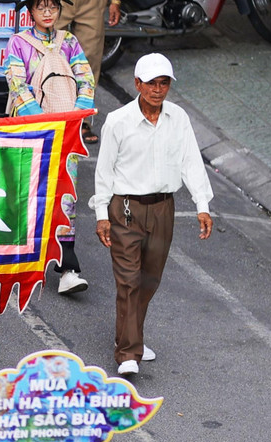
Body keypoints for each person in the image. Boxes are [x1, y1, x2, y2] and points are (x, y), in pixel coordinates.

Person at [90, 52, 212, 375]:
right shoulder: (118, 122)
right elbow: (104, 170)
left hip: (163, 209)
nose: (158, 90)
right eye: (152, 84)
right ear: (137, 85)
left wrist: (203, 205)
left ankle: (132, 337)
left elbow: (191, 163)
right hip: (125, 209)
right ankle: (128, 352)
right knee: (128, 280)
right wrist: (102, 213)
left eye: (164, 84)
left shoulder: (179, 119)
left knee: (150, 279)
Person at [2, 0, 96, 295]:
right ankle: (23, 260)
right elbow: (16, 82)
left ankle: (68, 266)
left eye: (52, 6)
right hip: (31, 131)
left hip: (67, 130)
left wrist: (77, 114)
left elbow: (86, 76)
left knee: (66, 195)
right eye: (41, 7)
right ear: (30, 10)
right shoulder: (17, 43)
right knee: (29, 191)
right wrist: (40, 119)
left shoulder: (69, 42)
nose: (47, 13)